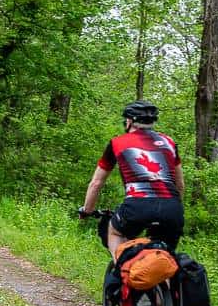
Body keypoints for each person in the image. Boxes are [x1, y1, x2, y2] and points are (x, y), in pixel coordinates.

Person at [79, 100, 185, 257]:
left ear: (129, 121)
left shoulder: (117, 143)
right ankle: (167, 280)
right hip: (172, 208)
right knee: (165, 260)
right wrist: (175, 208)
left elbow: (96, 183)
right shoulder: (169, 142)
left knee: (115, 233)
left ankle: (122, 271)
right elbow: (180, 185)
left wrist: (87, 211)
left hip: (137, 206)